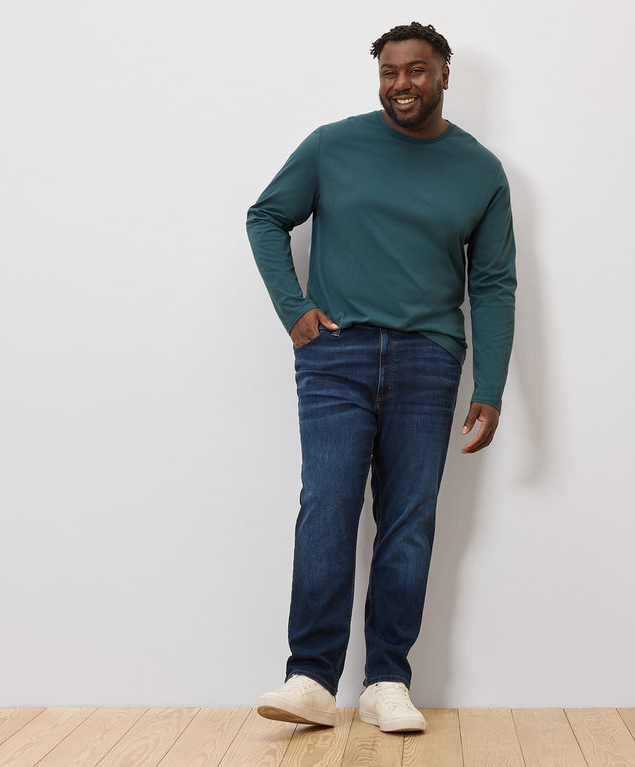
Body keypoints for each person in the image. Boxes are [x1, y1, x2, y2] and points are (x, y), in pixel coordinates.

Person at [245, 21, 516, 733]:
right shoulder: (335, 145)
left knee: (408, 519)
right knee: (327, 504)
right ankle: (309, 676)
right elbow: (267, 216)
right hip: (336, 355)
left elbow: (491, 283)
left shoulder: (480, 170)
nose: (402, 83)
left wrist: (489, 385)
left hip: (430, 358)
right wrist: (294, 310)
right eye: (391, 71)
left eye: (417, 70)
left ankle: (386, 680)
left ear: (445, 75)